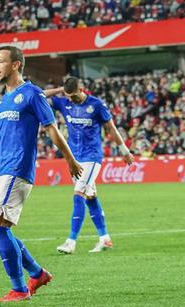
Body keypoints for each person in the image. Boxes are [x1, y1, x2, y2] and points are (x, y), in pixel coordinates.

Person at [0, 45, 82, 302]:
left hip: (17, 169)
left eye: (0, 61)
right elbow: (3, 138)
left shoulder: (31, 94)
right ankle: (37, 273)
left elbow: (51, 129)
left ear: (16, 64)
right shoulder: (3, 102)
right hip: (0, 170)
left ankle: (19, 289)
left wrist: (70, 160)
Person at [45, 77, 135, 254]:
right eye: (67, 95)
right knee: (91, 197)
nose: (70, 99)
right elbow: (39, 94)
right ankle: (105, 239)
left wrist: (124, 150)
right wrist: (61, 90)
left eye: (73, 94)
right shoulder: (64, 102)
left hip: (92, 157)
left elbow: (111, 128)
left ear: (81, 88)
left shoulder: (96, 105)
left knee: (79, 194)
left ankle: (71, 241)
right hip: (74, 158)